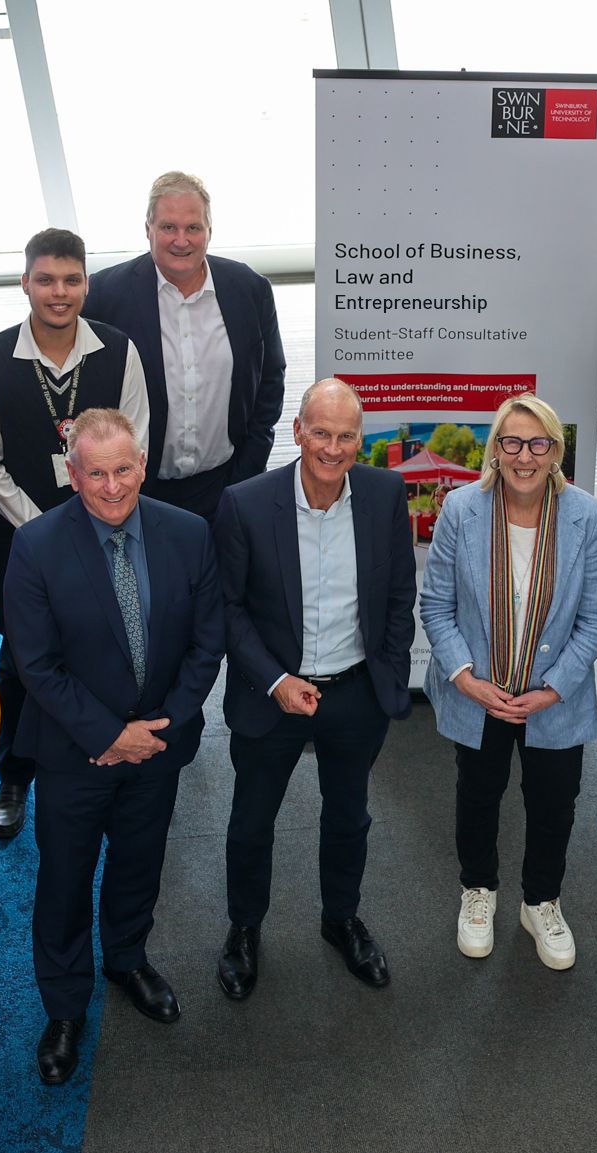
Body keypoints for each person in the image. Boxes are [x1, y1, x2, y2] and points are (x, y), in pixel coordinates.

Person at [4, 408, 223, 1085]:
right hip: (74, 755)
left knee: (139, 862)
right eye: (95, 473)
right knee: (64, 880)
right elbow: (36, 665)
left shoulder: (189, 532)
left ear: (143, 465)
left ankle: (127, 959)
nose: (112, 486)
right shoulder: (35, 545)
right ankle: (65, 1008)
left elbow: (206, 641)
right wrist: (107, 735)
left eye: (123, 469)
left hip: (157, 748)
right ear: (72, 476)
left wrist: (158, 729)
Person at [213, 379, 415, 999]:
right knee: (252, 822)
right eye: (321, 433)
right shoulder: (245, 504)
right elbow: (228, 609)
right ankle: (244, 929)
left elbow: (399, 594)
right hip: (272, 692)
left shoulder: (385, 494)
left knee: (349, 817)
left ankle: (341, 919)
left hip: (355, 692)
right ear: (298, 431)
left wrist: (386, 669)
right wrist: (275, 681)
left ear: (361, 439)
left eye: (346, 436)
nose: (332, 448)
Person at [0, 227, 150, 840]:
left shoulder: (119, 352)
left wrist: (93, 519)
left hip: (110, 534)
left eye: (71, 280)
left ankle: (103, 752)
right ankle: (15, 774)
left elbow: (136, 446)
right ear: (25, 283)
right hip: (20, 544)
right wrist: (47, 530)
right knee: (23, 659)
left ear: (86, 285)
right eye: (45, 279)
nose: (59, 292)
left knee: (105, 646)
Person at [421, 394, 597, 970]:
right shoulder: (461, 510)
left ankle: (540, 902)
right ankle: (478, 890)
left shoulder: (586, 516)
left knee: (554, 802)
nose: (524, 456)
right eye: (512, 442)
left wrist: (554, 689)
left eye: (537, 443)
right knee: (478, 794)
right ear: (495, 450)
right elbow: (436, 607)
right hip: (479, 693)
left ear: (555, 451)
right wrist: (466, 680)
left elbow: (594, 618)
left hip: (555, 697)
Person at [85, 170, 287, 520]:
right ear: (148, 229)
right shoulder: (104, 296)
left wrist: (249, 468)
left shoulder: (249, 289)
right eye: (168, 227)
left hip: (227, 486)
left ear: (209, 230)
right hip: (137, 493)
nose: (181, 240)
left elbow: (270, 380)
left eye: (193, 227)